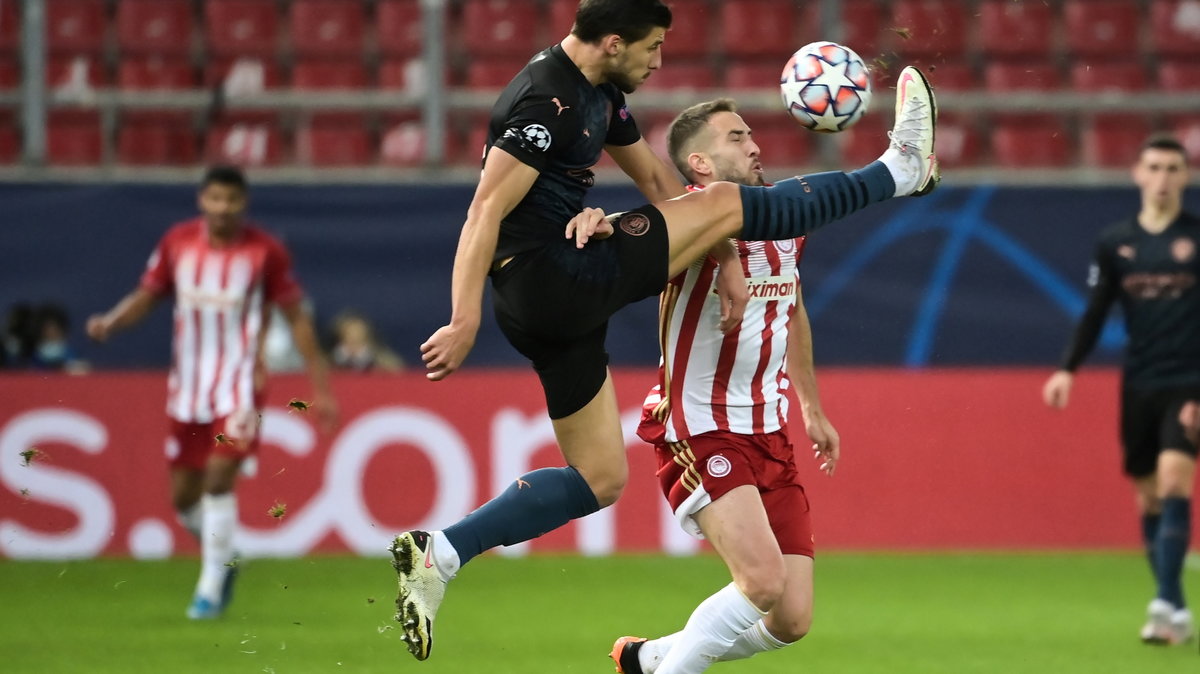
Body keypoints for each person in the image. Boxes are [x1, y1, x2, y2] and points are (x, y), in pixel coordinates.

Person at [392, 0, 939, 661]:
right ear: (614, 42)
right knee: (725, 204)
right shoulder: (545, 100)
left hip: (554, 305)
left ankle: (440, 554)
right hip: (550, 276)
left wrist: (723, 255)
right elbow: (484, 207)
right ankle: (897, 171)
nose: (658, 61)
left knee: (598, 477)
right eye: (651, 48)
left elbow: (655, 179)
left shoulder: (601, 92)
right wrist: (462, 317)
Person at [607, 98, 839, 674]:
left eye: (752, 135)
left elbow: (793, 305)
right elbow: (628, 237)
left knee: (792, 619)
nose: (756, 146)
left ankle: (653, 658)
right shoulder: (683, 223)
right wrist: (598, 222)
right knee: (759, 580)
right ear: (701, 164)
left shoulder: (785, 223)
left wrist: (811, 405)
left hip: (769, 431)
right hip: (701, 425)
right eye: (737, 137)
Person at [87, 165, 337, 620]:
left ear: (244, 204)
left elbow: (297, 316)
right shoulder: (178, 242)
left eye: (232, 200)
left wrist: (320, 386)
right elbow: (148, 294)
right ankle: (225, 559)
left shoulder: (265, 251)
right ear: (203, 200)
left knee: (220, 476)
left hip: (239, 382)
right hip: (188, 386)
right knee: (182, 497)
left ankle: (207, 591)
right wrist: (111, 322)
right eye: (215, 199)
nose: (223, 208)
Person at [1042, 134, 1199, 646]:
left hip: (1188, 382)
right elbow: (1095, 312)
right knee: (1149, 497)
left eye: (1173, 168)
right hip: (1139, 383)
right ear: (1137, 173)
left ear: (1184, 176)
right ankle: (1173, 605)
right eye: (1153, 167)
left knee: (1176, 481)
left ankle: (1163, 604)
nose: (1162, 178)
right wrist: (1068, 369)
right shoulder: (1116, 243)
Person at [329, 309, 404, 372]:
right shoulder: (325, 364)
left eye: (358, 340)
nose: (353, 342)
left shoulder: (386, 364)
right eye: (348, 338)